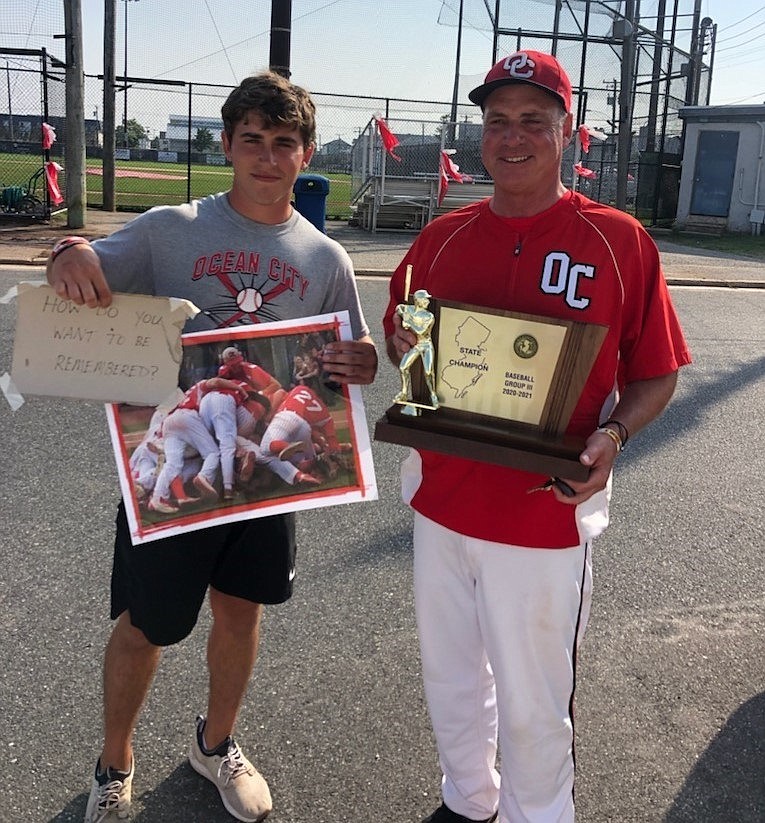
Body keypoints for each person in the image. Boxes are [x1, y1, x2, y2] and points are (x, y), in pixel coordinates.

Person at [47, 70, 377, 823]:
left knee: (240, 611)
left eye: (283, 143)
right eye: (252, 140)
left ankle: (214, 742)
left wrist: (360, 364)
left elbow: (348, 357)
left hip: (265, 478)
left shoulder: (326, 259)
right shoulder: (172, 227)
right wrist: (66, 246)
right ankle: (114, 761)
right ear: (227, 145)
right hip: (172, 462)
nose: (267, 156)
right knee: (145, 623)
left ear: (306, 153)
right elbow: (85, 266)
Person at [383, 49, 690, 823]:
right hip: (440, 503)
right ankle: (467, 800)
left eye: (531, 120)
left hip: (541, 510)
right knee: (450, 678)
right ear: (479, 135)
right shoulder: (441, 239)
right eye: (496, 121)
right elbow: (406, 341)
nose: (510, 136)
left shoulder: (618, 240)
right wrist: (413, 351)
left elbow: (656, 373)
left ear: (567, 135)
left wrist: (614, 434)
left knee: (532, 702)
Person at [394, 288, 439, 414]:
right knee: (403, 367)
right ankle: (403, 392)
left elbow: (420, 331)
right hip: (415, 346)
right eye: (425, 299)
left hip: (426, 345)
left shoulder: (429, 316)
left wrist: (408, 321)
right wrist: (402, 312)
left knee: (428, 372)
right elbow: (399, 308)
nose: (427, 302)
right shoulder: (410, 310)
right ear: (418, 301)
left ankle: (433, 395)